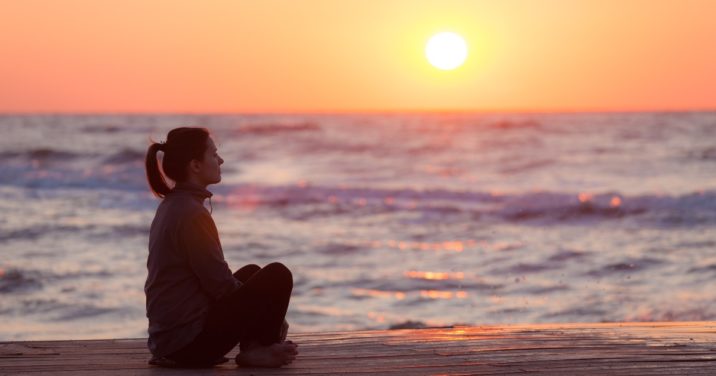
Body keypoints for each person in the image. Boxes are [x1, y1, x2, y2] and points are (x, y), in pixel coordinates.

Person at [144, 127, 298, 368]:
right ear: (195, 165)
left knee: (251, 272)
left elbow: (214, 283)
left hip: (169, 343)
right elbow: (220, 286)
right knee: (277, 275)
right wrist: (270, 317)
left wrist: (262, 308)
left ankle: (255, 347)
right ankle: (259, 351)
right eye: (214, 155)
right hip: (188, 346)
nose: (221, 160)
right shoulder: (192, 214)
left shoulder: (173, 205)